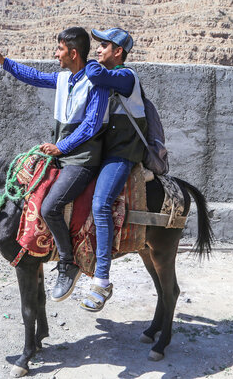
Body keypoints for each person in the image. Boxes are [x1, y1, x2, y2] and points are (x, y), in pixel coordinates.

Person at [0, 27, 109, 302]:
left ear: (73, 53)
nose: (56, 54)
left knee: (50, 207)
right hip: (62, 155)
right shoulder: (65, 78)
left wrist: (61, 147)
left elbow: (90, 126)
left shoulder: (97, 84)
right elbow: (35, 77)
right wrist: (2, 61)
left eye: (60, 50)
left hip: (81, 159)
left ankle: (68, 263)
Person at [79, 27, 148, 312]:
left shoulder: (125, 76)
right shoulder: (109, 80)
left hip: (122, 154)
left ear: (118, 52)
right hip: (105, 151)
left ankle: (103, 280)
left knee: (101, 204)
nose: (98, 50)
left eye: (103, 46)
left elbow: (94, 73)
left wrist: (82, 59)